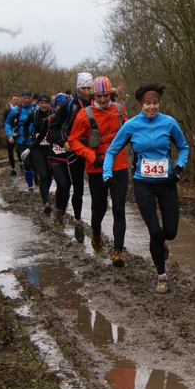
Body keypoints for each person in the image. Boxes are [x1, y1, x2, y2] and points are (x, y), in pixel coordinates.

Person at [103, 81, 190, 293]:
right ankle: (161, 275)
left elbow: (183, 147)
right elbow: (112, 151)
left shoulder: (169, 123)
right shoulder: (131, 125)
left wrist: (179, 167)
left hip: (167, 183)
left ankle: (163, 244)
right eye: (148, 104)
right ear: (141, 105)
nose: (152, 107)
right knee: (154, 231)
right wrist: (107, 173)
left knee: (170, 231)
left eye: (155, 103)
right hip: (143, 184)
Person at [67, 76, 128, 266]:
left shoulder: (119, 110)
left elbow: (131, 130)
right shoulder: (84, 115)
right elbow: (73, 141)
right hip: (96, 168)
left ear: (112, 94)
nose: (102, 100)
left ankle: (118, 251)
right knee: (99, 208)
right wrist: (91, 156)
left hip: (119, 166)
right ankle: (95, 233)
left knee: (118, 208)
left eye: (106, 96)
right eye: (99, 96)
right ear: (93, 95)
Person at [49, 73, 93, 242]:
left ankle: (86, 224)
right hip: (71, 151)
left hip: (90, 150)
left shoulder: (97, 103)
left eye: (89, 88)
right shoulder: (69, 105)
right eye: (83, 88)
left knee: (88, 189)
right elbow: (54, 126)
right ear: (77, 88)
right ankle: (69, 217)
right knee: (71, 186)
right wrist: (63, 142)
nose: (86, 91)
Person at [20, 93, 56, 214]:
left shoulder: (52, 115)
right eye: (42, 103)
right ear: (38, 103)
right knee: (43, 175)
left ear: (49, 104)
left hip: (50, 148)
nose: (44, 105)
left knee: (50, 176)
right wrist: (26, 138)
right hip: (37, 149)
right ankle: (46, 202)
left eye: (46, 103)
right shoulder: (34, 114)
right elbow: (25, 125)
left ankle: (45, 192)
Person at [4, 89, 37, 191]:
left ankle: (36, 175)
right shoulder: (15, 110)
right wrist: (10, 134)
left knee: (36, 163)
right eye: (25, 98)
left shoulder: (37, 108)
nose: (27, 100)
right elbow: (7, 123)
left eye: (28, 98)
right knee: (27, 163)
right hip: (21, 140)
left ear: (31, 98)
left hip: (35, 140)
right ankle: (30, 186)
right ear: (21, 98)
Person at [2, 94, 21, 176]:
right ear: (11, 101)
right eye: (14, 99)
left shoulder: (21, 110)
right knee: (10, 151)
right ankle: (13, 168)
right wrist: (8, 132)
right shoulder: (7, 111)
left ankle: (21, 163)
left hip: (19, 133)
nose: (15, 101)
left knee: (19, 149)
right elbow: (5, 122)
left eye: (17, 99)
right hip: (10, 133)